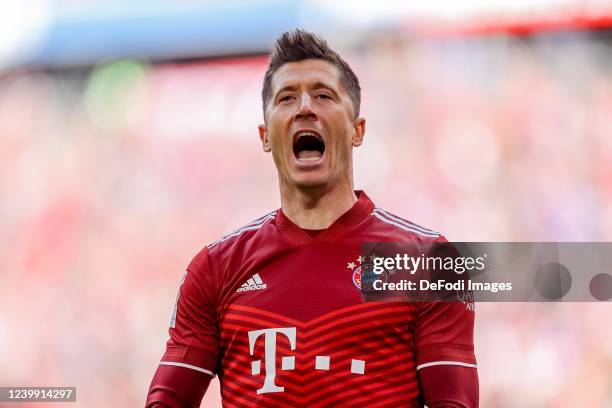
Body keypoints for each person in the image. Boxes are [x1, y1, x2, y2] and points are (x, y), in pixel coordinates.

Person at [146, 29, 478, 407]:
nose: (305, 107)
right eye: (287, 98)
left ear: (357, 130)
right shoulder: (215, 270)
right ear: (265, 135)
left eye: (323, 95)